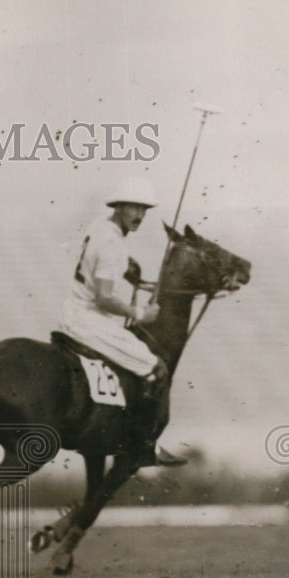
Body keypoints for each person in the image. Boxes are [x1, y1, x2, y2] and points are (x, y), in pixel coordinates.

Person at [58, 176, 186, 467]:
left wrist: (133, 274)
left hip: (73, 310)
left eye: (144, 210)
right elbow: (104, 297)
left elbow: (102, 268)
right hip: (89, 319)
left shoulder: (99, 226)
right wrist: (140, 314)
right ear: (119, 206)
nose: (140, 215)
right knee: (155, 368)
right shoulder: (112, 243)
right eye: (134, 208)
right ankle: (141, 446)